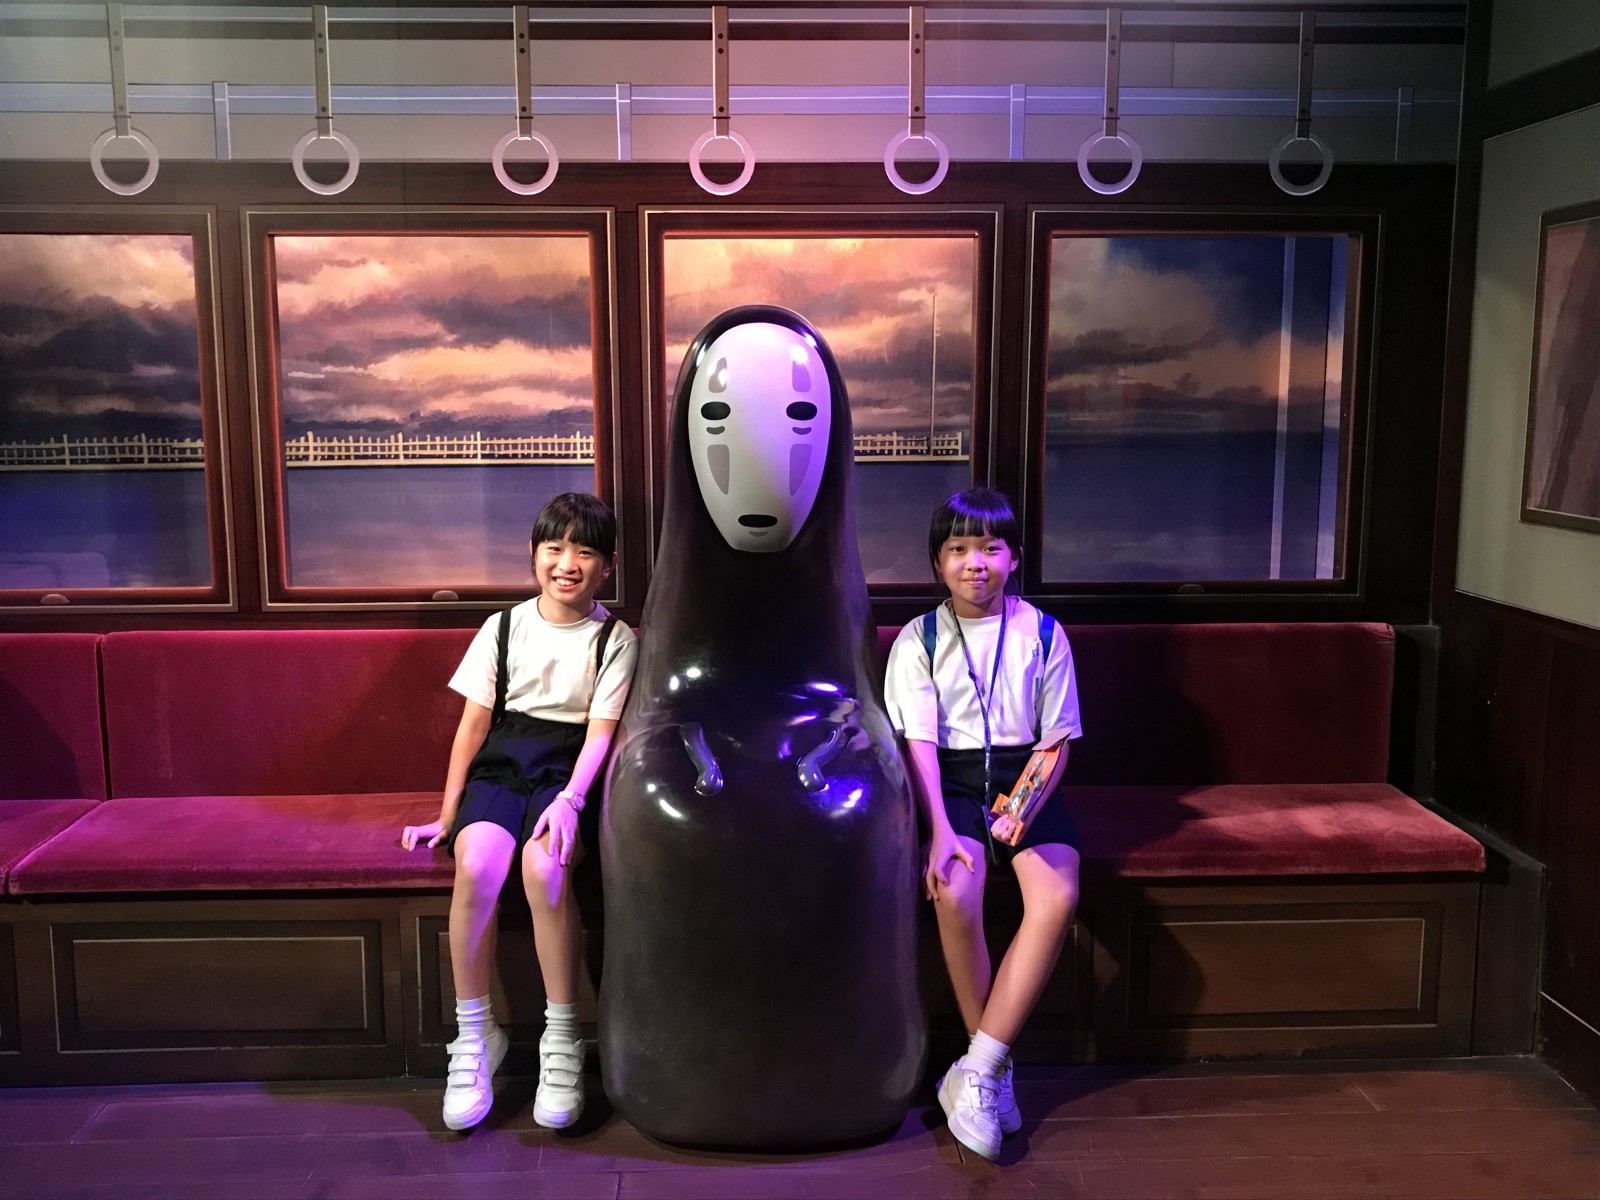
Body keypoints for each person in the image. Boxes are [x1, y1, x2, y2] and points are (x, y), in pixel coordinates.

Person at [401, 492, 637, 1133]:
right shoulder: (502, 627)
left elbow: (600, 735)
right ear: (534, 554)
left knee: (545, 868)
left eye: (584, 551)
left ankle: (562, 1037)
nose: (567, 563)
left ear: (608, 566)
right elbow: (473, 729)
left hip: (569, 771)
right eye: (554, 548)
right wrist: (447, 815)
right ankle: (475, 1034)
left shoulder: (616, 640)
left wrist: (572, 800)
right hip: (504, 763)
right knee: (477, 866)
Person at [883, 487, 1083, 1161]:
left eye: (991, 548)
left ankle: (978, 1068)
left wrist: (1023, 808)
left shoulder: (1045, 632)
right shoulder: (919, 638)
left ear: (1013, 558)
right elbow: (918, 743)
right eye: (959, 549)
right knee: (954, 890)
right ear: (938, 562)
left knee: (1057, 896)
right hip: (952, 782)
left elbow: (1057, 739)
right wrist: (938, 830)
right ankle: (989, 1069)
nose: (976, 563)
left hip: (1029, 778)